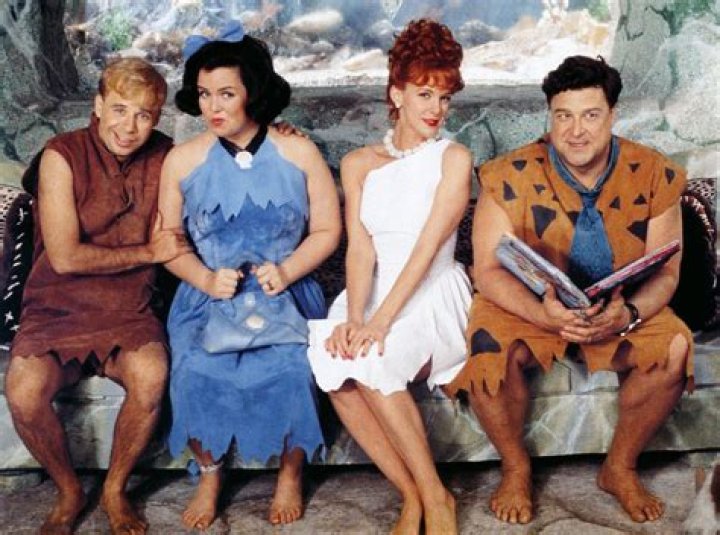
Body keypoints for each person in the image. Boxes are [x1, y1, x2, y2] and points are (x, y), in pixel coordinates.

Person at [447, 55, 694, 525]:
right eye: (563, 116)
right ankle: (515, 467)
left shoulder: (654, 172)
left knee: (677, 348)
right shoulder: (506, 174)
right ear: (550, 116)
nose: (575, 131)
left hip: (618, 306)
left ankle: (619, 467)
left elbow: (667, 272)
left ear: (613, 115)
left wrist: (629, 314)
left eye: (590, 115)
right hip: (531, 306)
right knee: (487, 348)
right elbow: (489, 272)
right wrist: (543, 315)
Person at [157, 22, 341, 530]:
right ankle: (209, 473)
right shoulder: (181, 160)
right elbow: (166, 240)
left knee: (293, 368)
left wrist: (287, 269)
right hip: (207, 297)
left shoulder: (298, 150)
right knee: (193, 369)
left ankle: (291, 473)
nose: (213, 107)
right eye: (204, 94)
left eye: (227, 93)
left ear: (252, 93)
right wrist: (203, 278)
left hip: (286, 290)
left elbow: (328, 229)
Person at [4, 58, 191, 534]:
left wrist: (276, 131)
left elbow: (224, 152)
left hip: (129, 307)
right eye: (120, 109)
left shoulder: (167, 156)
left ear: (158, 117)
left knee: (151, 375)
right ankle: (69, 490)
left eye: (144, 115)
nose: (129, 127)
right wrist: (149, 251)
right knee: (23, 392)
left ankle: (114, 488)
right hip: (57, 306)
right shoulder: (61, 155)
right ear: (98, 105)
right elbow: (65, 257)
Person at [307, 19, 472, 535]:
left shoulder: (454, 159)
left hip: (432, 290)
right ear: (396, 93)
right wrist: (356, 316)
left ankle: (437, 497)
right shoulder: (358, 163)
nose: (436, 109)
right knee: (334, 361)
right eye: (424, 94)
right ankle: (412, 494)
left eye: (444, 98)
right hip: (374, 289)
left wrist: (379, 323)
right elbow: (361, 249)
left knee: (374, 357)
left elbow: (426, 250)